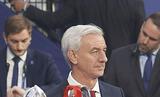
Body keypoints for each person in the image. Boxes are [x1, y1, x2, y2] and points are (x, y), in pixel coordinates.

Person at [8, 0, 146, 57]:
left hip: (90, 61)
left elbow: (55, 20)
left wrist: (26, 7)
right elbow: (141, 31)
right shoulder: (134, 1)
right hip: (125, 65)